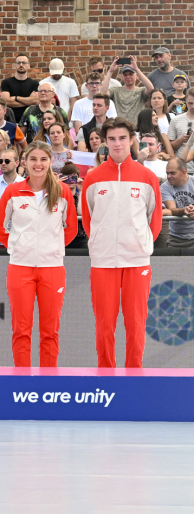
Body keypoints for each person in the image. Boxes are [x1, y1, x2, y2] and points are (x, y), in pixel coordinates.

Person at [81, 118, 162, 368]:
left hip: (137, 260)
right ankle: (106, 374)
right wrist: (99, 244)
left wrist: (140, 245)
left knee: (136, 322)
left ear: (131, 140)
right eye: (112, 139)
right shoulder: (93, 178)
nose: (118, 144)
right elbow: (88, 219)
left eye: (123, 138)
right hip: (104, 260)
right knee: (105, 324)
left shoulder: (147, 177)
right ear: (105, 142)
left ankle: (134, 376)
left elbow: (155, 220)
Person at [0, 141, 78, 367]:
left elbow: (71, 229)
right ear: (24, 162)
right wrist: (18, 247)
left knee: (50, 331)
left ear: (51, 162)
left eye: (43, 159)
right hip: (20, 268)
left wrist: (54, 248)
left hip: (52, 269)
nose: (38, 164)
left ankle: (47, 381)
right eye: (33, 159)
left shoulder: (63, 191)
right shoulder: (13, 191)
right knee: (21, 330)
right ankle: (22, 381)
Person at [100, 57, 154, 127]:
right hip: (119, 128)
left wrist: (136, 69)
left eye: (131, 74)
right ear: (122, 76)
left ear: (136, 76)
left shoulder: (141, 91)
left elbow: (151, 89)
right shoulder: (116, 90)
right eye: (125, 75)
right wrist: (110, 71)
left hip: (136, 129)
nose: (128, 76)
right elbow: (103, 94)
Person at [161, 157, 194, 249]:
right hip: (176, 237)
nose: (168, 176)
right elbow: (172, 209)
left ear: (183, 173)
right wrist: (184, 210)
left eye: (172, 173)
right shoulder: (165, 187)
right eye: (167, 173)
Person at [1, 55, 41, 122]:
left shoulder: (34, 83)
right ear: (15, 65)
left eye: (24, 63)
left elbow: (36, 101)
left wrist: (16, 98)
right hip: (10, 120)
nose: (21, 65)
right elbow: (6, 102)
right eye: (19, 63)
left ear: (28, 66)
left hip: (29, 120)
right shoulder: (6, 82)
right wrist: (28, 102)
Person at [166, 88, 194, 163]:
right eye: (190, 103)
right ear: (186, 101)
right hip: (181, 166)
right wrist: (182, 139)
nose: (193, 106)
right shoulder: (176, 120)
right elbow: (170, 147)